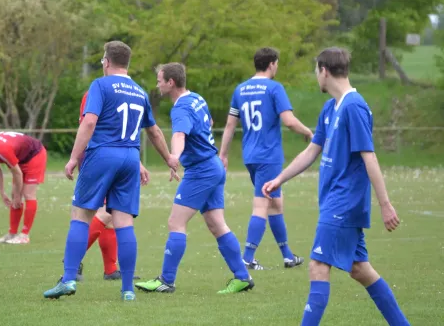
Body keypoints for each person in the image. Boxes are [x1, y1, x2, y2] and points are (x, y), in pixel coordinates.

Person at [262, 47, 410, 325]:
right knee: (360, 270)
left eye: (316, 71)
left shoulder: (354, 106)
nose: (316, 76)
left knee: (318, 266)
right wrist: (280, 178)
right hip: (335, 202)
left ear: (324, 70)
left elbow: (370, 157)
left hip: (343, 203)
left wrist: (385, 204)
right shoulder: (331, 108)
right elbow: (311, 151)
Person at [43, 41, 176, 302]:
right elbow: (154, 131)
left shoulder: (100, 85)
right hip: (130, 157)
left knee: (81, 215)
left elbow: (90, 121)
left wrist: (72, 158)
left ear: (106, 61)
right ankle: (127, 289)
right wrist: (170, 158)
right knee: (123, 222)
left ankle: (69, 279)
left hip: (102, 154)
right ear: (127, 63)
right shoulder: (139, 91)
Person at [135, 62, 254, 295]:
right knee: (216, 224)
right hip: (213, 165)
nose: (157, 84)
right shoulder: (197, 98)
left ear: (171, 82)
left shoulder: (180, 108)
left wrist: (174, 157)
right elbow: (208, 123)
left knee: (175, 223)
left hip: (201, 170)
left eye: (160, 80)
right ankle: (242, 277)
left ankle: (166, 281)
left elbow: (179, 134)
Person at [219, 47, 312, 270]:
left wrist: (223, 154)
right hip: (268, 156)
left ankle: (287, 256)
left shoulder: (240, 89)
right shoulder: (274, 88)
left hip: (250, 156)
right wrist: (309, 133)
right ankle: (247, 258)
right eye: (277, 63)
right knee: (262, 205)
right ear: (271, 63)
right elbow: (288, 121)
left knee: (275, 204)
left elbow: (231, 124)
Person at [75, 90, 144, 282]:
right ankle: (72, 260)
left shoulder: (119, 91)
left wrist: (136, 162)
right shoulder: (97, 92)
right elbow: (89, 126)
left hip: (114, 158)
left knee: (113, 216)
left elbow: (121, 133)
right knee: (106, 212)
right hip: (99, 158)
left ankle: (111, 270)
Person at [0, 131, 47, 245]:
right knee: (15, 195)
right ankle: (12, 234)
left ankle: (24, 236)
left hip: (35, 155)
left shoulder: (3, 151)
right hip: (21, 158)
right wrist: (2, 192)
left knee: (28, 194)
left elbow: (18, 174)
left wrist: (17, 195)